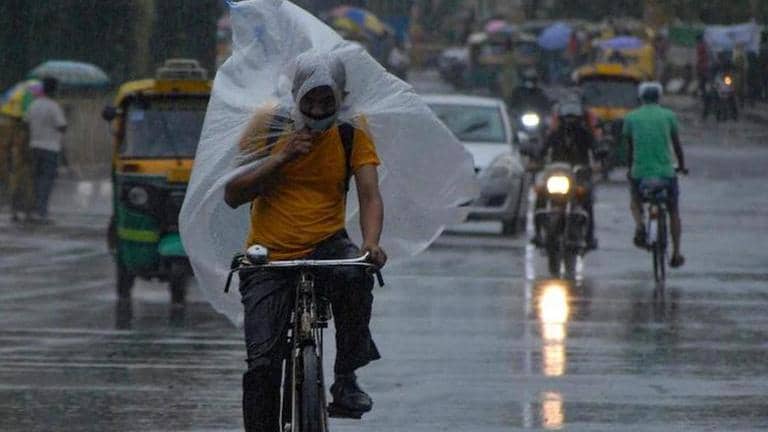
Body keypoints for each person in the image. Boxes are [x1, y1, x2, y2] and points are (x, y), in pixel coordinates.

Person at [224, 52, 386, 431]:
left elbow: (369, 193)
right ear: (295, 95)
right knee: (263, 364)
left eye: (326, 101)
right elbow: (233, 193)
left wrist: (371, 242)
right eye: (309, 100)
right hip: (269, 254)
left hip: (328, 244)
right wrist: (281, 157)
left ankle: (345, 378)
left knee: (356, 276)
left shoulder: (351, 129)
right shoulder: (269, 123)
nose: (317, 110)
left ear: (341, 98)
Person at [622, 82, 688, 268]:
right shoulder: (669, 116)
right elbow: (677, 145)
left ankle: (640, 226)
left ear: (641, 98)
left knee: (635, 201)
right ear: (659, 97)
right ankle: (676, 253)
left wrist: (631, 169)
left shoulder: (631, 117)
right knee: (673, 210)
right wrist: (682, 166)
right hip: (666, 173)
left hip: (640, 173)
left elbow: (629, 149)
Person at [532, 99, 598, 250]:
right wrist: (536, 159)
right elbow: (542, 150)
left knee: (587, 199)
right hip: (556, 174)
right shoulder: (555, 134)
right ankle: (537, 233)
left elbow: (596, 148)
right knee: (540, 193)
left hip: (579, 175)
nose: (570, 122)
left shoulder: (585, 134)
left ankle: (589, 236)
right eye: (567, 118)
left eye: (573, 118)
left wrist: (598, 159)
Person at [25, 77, 67, 223]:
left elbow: (26, 121)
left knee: (35, 180)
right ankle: (41, 213)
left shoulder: (33, 104)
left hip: (34, 146)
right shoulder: (53, 106)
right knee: (46, 181)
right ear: (54, 90)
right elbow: (62, 126)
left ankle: (32, 211)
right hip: (50, 148)